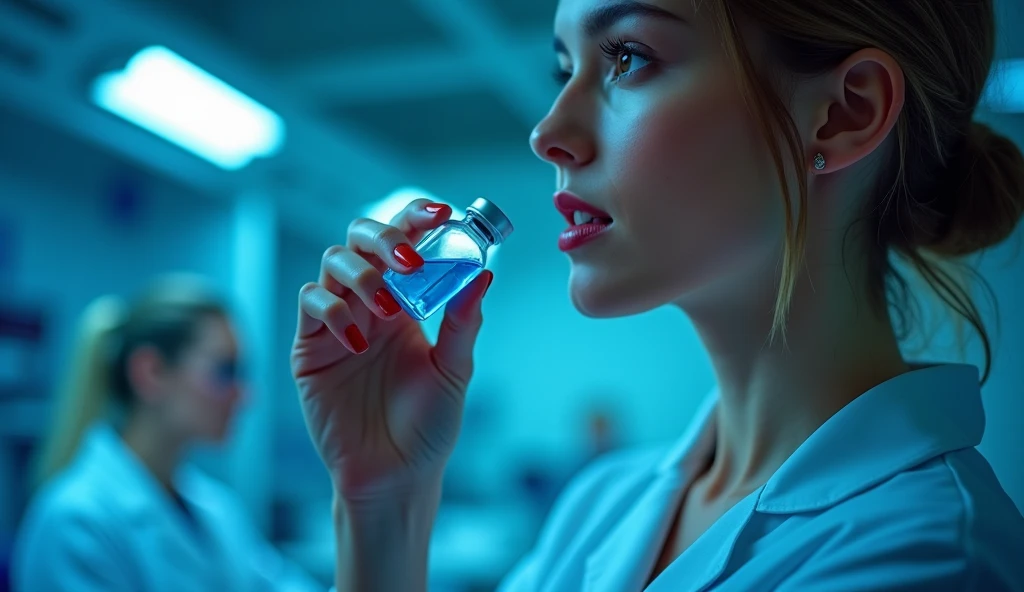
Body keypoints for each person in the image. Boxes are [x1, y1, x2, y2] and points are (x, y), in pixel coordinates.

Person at [291, 0, 1024, 590]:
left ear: (845, 113)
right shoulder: (605, 504)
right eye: (564, 69)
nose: (547, 133)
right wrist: (383, 499)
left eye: (628, 58)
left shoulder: (926, 559)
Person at [13, 276, 321, 591]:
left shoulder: (216, 510)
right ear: (151, 372)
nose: (245, 395)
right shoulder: (76, 521)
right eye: (225, 371)